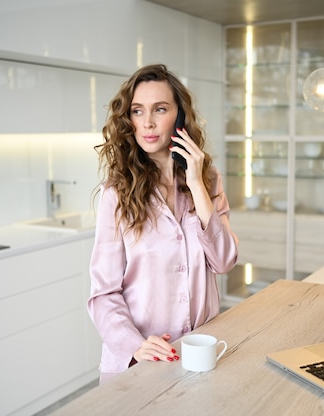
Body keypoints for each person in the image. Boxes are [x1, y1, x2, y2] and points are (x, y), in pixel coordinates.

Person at [88, 64, 239, 383]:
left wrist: (198, 186)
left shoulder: (208, 181)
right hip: (140, 361)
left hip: (199, 353)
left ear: (180, 116)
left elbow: (224, 261)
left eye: (160, 109)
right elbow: (104, 293)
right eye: (137, 111)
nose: (148, 122)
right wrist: (135, 345)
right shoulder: (117, 194)